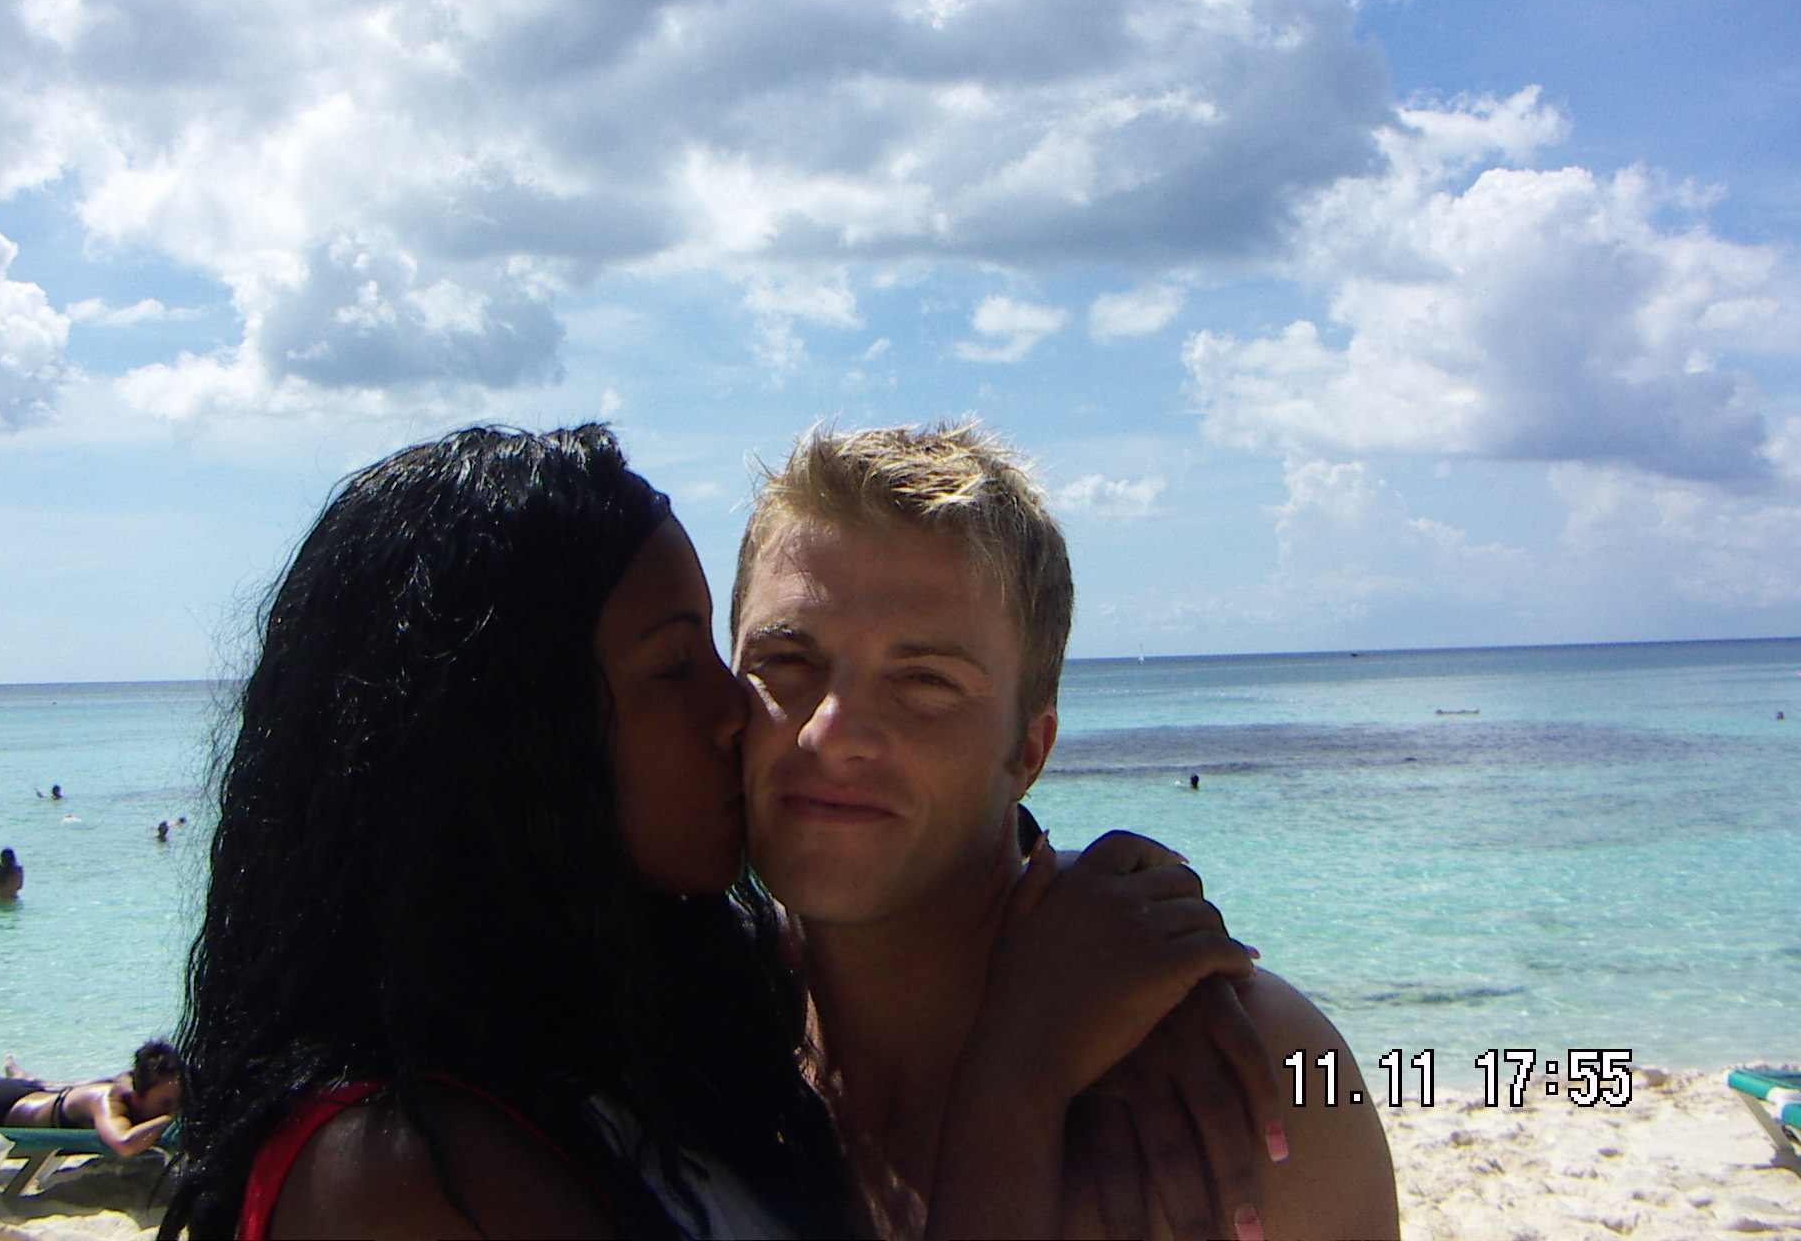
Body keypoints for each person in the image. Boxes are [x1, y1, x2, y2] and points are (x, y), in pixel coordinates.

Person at [163, 425, 1248, 1241]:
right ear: (512, 744)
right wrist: (1020, 1072)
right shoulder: (398, 1177)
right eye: (681, 667)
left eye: (925, 682)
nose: (742, 711)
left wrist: (1085, 922)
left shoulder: (653, 1020)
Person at [732, 421, 1399, 1240]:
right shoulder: (692, 1037)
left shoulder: (1239, 1080)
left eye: (925, 680)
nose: (830, 733)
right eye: (786, 662)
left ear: (1030, 751)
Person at [0, 1041, 183, 1158]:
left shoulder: (130, 1086)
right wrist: (172, 1118)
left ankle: (22, 1079)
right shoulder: (107, 1102)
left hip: (37, 1098)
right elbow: (125, 1144)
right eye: (164, 1103)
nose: (172, 1108)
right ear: (137, 1096)